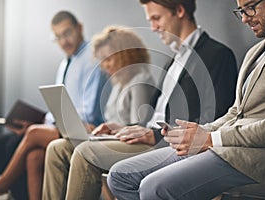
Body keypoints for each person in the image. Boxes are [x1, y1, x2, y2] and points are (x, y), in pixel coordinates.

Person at [42, 0, 238, 199]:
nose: (153, 27)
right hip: (149, 135)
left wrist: (154, 134)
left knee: (86, 153)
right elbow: (154, 114)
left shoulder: (218, 55)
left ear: (179, 11)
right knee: (57, 148)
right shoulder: (173, 60)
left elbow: (213, 122)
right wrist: (122, 128)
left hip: (166, 144)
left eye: (156, 18)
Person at [107, 0, 265, 199]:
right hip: (227, 144)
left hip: (262, 156)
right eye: (241, 11)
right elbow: (236, 112)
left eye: (251, 7)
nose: (244, 18)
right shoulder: (255, 52)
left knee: (153, 188)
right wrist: (202, 132)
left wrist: (211, 139)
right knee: (119, 176)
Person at [0, 10, 107, 200]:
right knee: (34, 156)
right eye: (58, 37)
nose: (63, 41)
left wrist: (52, 124)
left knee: (34, 133)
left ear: (79, 28)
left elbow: (89, 112)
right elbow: (60, 107)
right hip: (64, 126)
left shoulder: (92, 58)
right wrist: (46, 120)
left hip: (86, 129)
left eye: (67, 33)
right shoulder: (65, 64)